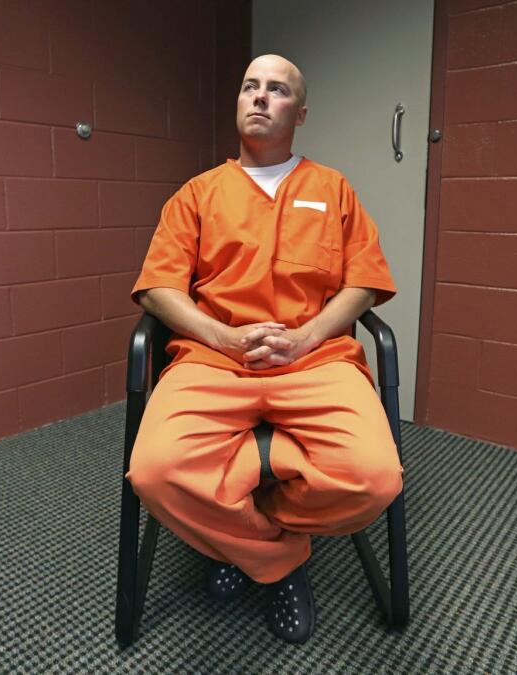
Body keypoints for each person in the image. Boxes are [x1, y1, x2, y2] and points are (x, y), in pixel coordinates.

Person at [126, 54, 402, 644]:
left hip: (315, 359)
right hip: (213, 358)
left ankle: (242, 513)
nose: (258, 97)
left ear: (299, 113)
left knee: (375, 479)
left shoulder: (334, 190)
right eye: (250, 86)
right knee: (154, 472)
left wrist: (307, 336)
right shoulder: (197, 194)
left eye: (276, 90)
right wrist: (221, 336)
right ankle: (277, 560)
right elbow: (157, 287)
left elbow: (365, 280)